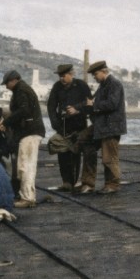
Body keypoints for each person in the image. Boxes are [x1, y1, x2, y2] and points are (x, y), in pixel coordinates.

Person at [77, 60, 127, 194]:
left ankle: (112, 184)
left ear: (104, 71)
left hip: (111, 127)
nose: (94, 77)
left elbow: (112, 104)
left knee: (109, 157)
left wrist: (93, 105)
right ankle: (88, 183)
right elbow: (93, 103)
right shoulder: (103, 86)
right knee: (84, 140)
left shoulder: (114, 84)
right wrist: (79, 108)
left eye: (95, 74)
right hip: (101, 125)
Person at [0, 69, 45, 208]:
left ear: (13, 80)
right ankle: (26, 196)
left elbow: (23, 111)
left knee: (26, 166)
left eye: (7, 83)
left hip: (30, 133)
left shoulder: (21, 91)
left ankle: (28, 198)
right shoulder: (23, 89)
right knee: (24, 166)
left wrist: (6, 122)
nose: (6, 86)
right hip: (30, 132)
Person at [46, 63, 92, 191]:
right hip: (63, 126)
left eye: (64, 75)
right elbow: (51, 107)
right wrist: (56, 125)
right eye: (60, 76)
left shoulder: (82, 85)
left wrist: (77, 110)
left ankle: (76, 181)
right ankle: (66, 182)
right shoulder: (57, 87)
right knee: (62, 153)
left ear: (71, 74)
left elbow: (90, 104)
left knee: (76, 154)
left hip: (79, 125)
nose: (61, 78)